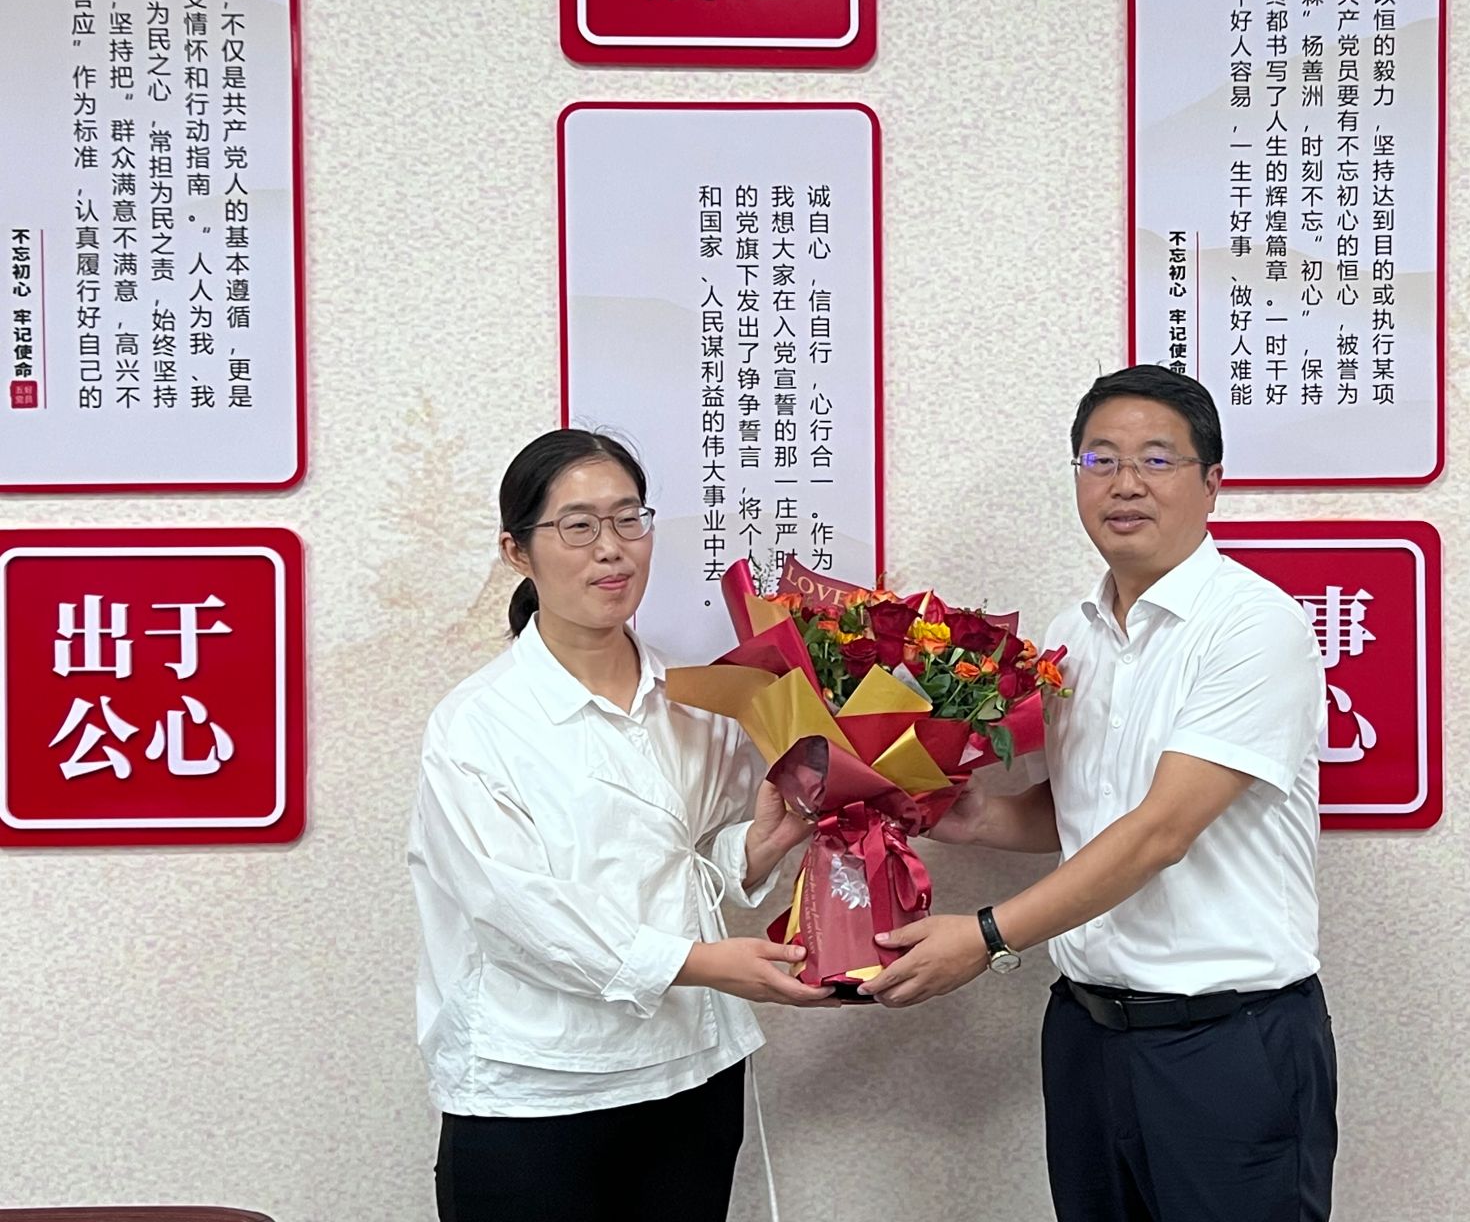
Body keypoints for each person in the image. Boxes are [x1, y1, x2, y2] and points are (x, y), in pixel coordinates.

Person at [863, 365, 1338, 1221]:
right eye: (1100, 459)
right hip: (1085, 1034)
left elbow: (1160, 830)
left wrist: (987, 936)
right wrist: (975, 816)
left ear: (1212, 483)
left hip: (1225, 1044)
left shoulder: (1254, 626)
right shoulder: (1071, 635)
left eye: (1156, 459)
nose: (1124, 483)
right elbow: (1082, 806)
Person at [409, 428, 832, 1222]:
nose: (612, 549)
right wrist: (699, 963)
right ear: (517, 551)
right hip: (536, 1086)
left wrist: (757, 846)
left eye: (628, 519)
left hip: (690, 1071)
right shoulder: (476, 724)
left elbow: (685, 864)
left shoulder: (696, 698)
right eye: (578, 526)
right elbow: (517, 914)